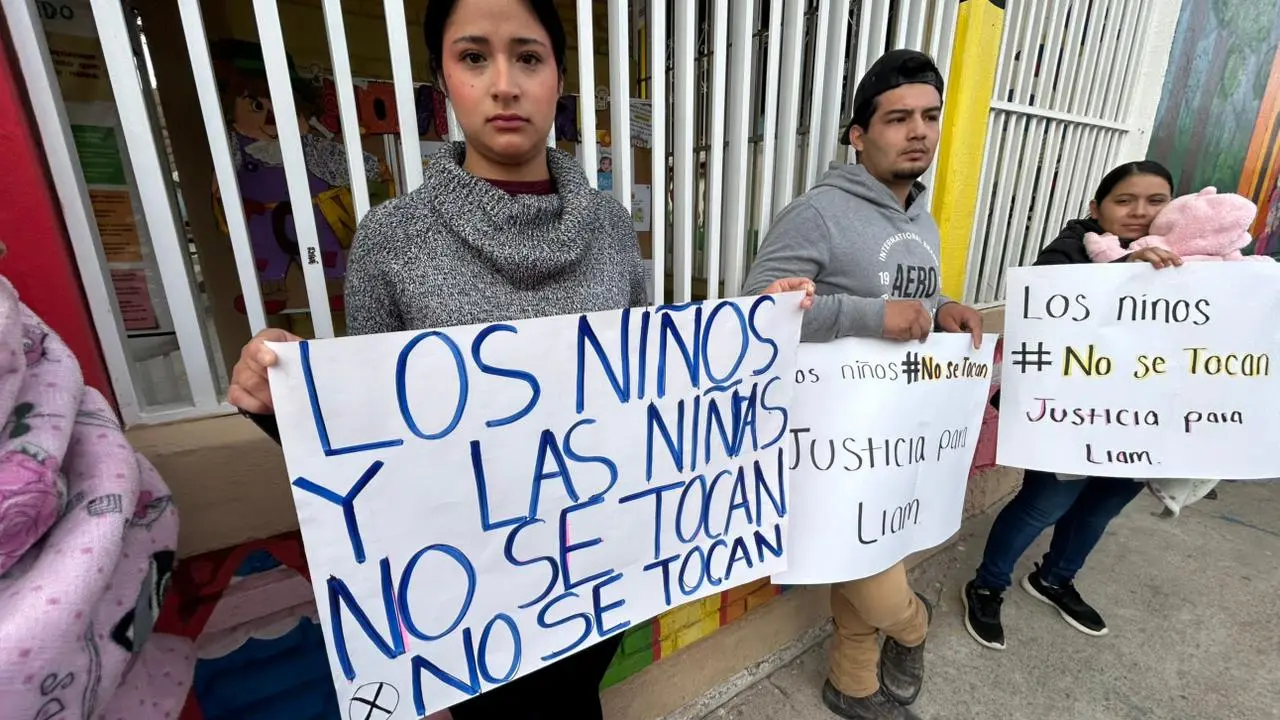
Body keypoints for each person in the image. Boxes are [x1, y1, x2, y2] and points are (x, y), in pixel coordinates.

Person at [226, 0, 812, 717]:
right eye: (474, 57)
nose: (504, 83)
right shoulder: (390, 239)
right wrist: (277, 399)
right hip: (470, 607)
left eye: (528, 57)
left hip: (601, 570)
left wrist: (756, 334)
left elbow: (652, 387)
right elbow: (369, 443)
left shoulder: (609, 228)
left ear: (558, 78)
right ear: (443, 80)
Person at [744, 49, 984, 720]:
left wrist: (944, 308)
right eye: (897, 118)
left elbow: (916, 291)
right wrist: (869, 318)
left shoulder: (922, 220)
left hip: (896, 437)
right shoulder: (818, 213)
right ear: (859, 134)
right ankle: (916, 625)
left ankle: (852, 687)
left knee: (866, 555)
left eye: (930, 117)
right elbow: (757, 309)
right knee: (877, 581)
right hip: (832, 440)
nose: (918, 132)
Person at [961, 160, 1179, 653]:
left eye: (1156, 201)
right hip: (1072, 417)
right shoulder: (1068, 253)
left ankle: (1056, 579)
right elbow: (1041, 312)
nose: (1140, 213)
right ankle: (988, 584)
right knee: (1047, 502)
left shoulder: (1194, 261)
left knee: (1104, 504)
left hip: (1144, 420)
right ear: (1096, 208)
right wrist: (1118, 276)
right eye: (1125, 201)